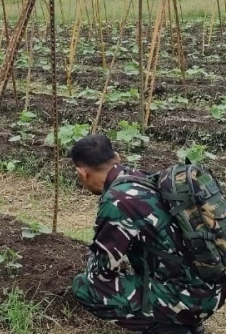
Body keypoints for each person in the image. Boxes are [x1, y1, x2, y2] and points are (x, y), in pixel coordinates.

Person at [70, 134, 223, 334]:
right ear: (117, 156)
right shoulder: (142, 178)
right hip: (213, 288)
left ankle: (171, 329)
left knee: (86, 286)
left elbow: (102, 270)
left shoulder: (117, 200)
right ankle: (182, 321)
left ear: (82, 173)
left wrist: (93, 254)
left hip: (191, 298)